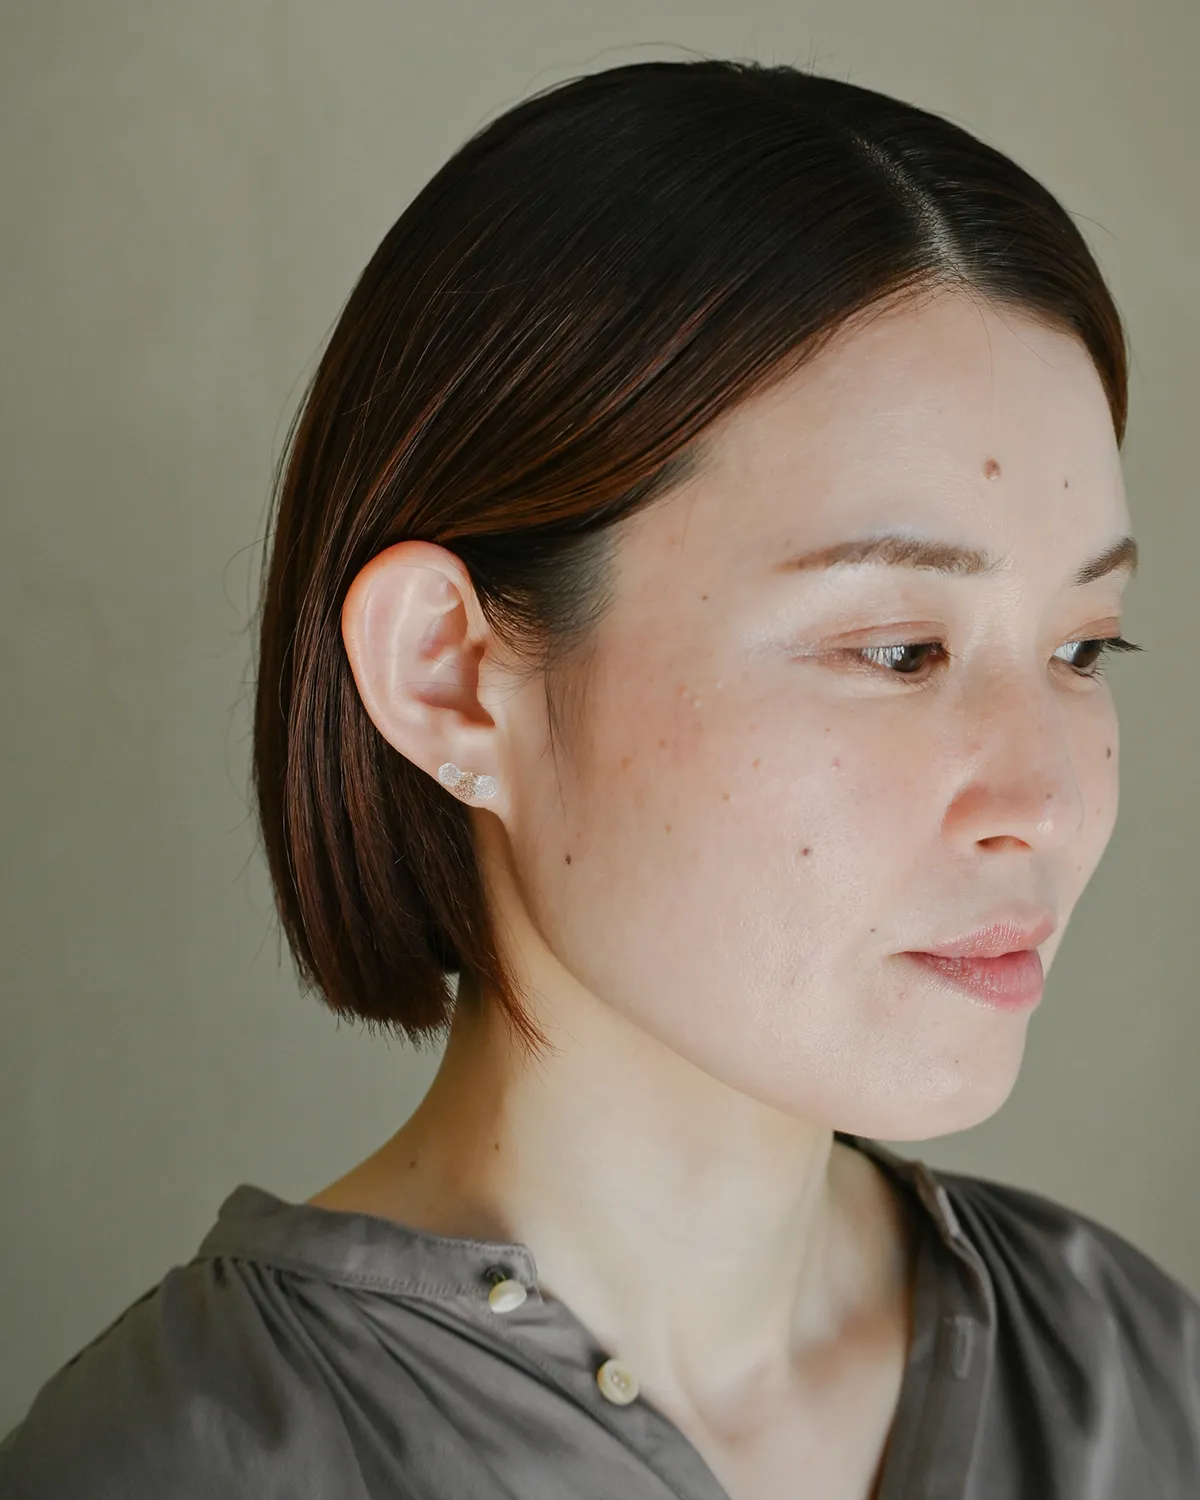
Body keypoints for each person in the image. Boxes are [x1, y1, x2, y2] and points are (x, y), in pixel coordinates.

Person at [3, 55, 1197, 1500]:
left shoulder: (1146, 1385)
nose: (1049, 802)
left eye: (1082, 648)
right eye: (897, 650)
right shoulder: (166, 1469)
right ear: (451, 673)